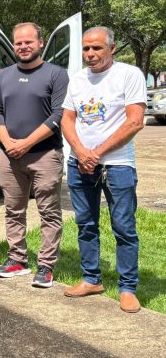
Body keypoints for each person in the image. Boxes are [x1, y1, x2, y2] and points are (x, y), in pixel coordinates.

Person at [61, 26, 146, 313]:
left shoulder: (129, 74)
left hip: (117, 165)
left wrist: (96, 153)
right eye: (86, 48)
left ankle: (128, 288)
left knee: (123, 227)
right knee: (85, 224)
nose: (90, 53)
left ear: (112, 48)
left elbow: (135, 121)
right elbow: (67, 119)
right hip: (79, 164)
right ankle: (91, 279)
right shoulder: (78, 79)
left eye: (96, 48)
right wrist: (81, 151)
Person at [0, 22, 69, 288]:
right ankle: (18, 260)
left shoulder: (56, 74)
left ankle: (46, 265)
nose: (23, 47)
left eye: (28, 42)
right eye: (18, 43)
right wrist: (8, 144)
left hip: (45, 155)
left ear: (40, 42)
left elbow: (58, 114)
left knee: (49, 212)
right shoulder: (4, 75)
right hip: (9, 156)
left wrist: (25, 143)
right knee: (13, 210)